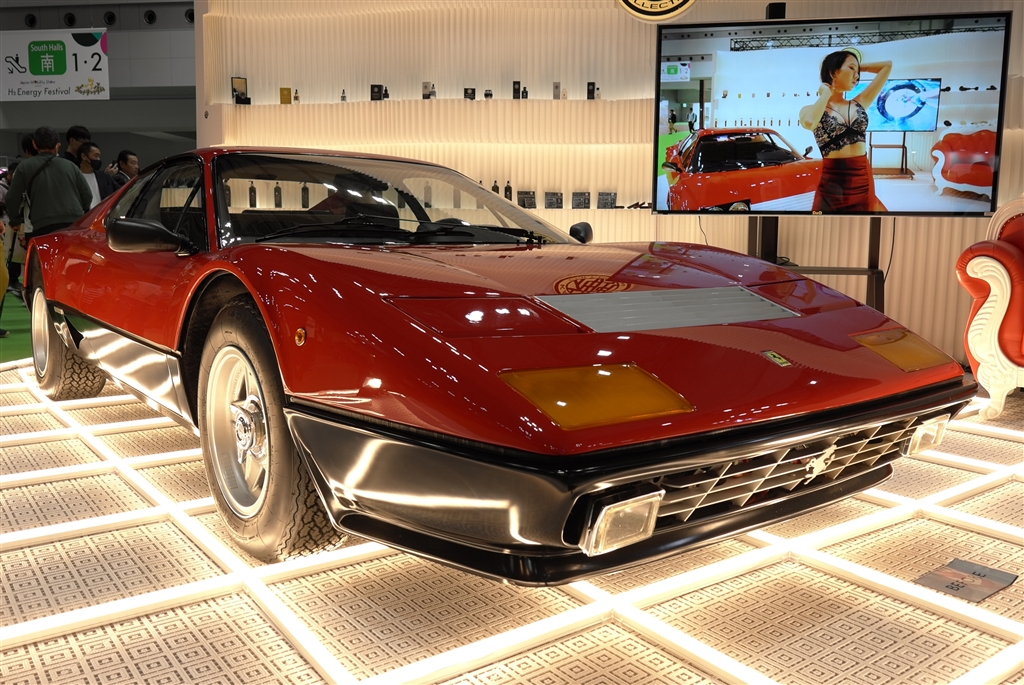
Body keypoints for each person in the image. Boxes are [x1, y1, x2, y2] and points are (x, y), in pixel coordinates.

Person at [800, 47, 891, 212]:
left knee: (862, 226)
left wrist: (857, 67)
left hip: (862, 180)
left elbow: (887, 66)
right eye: (851, 68)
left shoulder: (859, 102)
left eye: (858, 72)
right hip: (832, 185)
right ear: (833, 72)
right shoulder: (810, 109)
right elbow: (810, 122)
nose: (857, 76)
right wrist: (825, 93)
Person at [6, 126, 92, 242]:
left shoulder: (24, 167)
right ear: (58, 145)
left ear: (34, 144)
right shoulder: (71, 166)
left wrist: (15, 220)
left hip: (42, 223)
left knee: (46, 253)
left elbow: (12, 197)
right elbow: (87, 195)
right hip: (73, 221)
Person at [77, 141, 117, 207]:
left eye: (99, 156)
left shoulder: (104, 177)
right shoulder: (74, 177)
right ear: (84, 156)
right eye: (96, 156)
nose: (98, 159)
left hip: (102, 212)